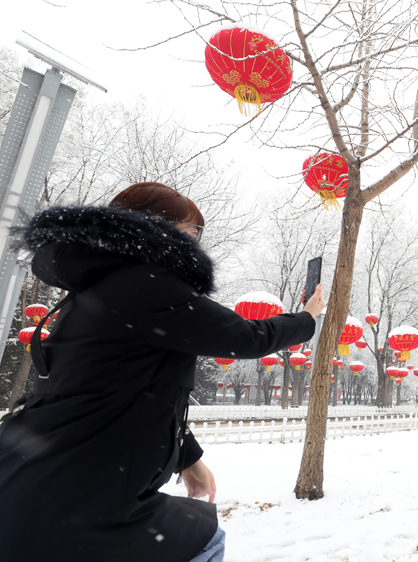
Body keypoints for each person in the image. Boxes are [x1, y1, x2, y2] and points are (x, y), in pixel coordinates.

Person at [0, 182, 326, 561]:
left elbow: (128, 389)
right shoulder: (146, 283)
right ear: (150, 226)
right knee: (206, 539)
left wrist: (188, 456)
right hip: (79, 501)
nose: (194, 242)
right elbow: (246, 337)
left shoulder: (97, 289)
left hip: (33, 481)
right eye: (188, 231)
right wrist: (307, 318)